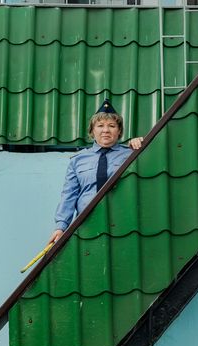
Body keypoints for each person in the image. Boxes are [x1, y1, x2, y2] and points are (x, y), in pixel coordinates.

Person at [47, 100, 143, 246]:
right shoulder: (77, 160)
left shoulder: (130, 155)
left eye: (112, 126)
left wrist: (143, 144)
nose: (106, 130)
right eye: (100, 126)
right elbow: (69, 195)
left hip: (122, 222)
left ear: (119, 131)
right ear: (92, 131)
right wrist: (61, 227)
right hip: (87, 223)